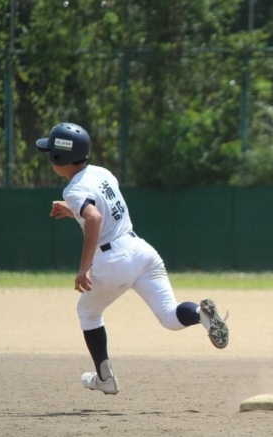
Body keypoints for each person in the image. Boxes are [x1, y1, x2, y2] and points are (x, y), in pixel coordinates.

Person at [36, 122, 229, 395]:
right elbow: (100, 209)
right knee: (169, 316)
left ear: (59, 157)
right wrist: (73, 210)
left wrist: (85, 266)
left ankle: (105, 378)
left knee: (88, 313)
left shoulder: (73, 190)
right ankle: (202, 315)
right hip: (141, 251)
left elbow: (94, 217)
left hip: (114, 261)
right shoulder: (102, 172)